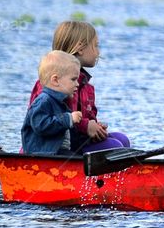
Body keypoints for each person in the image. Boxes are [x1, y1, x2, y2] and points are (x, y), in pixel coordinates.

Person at [28, 21, 130, 154]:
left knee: (123, 140)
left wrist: (95, 128)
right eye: (96, 46)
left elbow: (89, 116)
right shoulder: (52, 84)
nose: (98, 51)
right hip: (53, 147)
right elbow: (45, 121)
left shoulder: (85, 86)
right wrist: (85, 125)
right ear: (81, 49)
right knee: (114, 146)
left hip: (77, 141)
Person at [21, 51, 83, 154]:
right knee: (80, 162)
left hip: (57, 152)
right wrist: (68, 119)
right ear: (55, 80)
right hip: (42, 153)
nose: (77, 84)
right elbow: (40, 125)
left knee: (81, 157)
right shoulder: (43, 101)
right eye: (73, 79)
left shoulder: (60, 102)